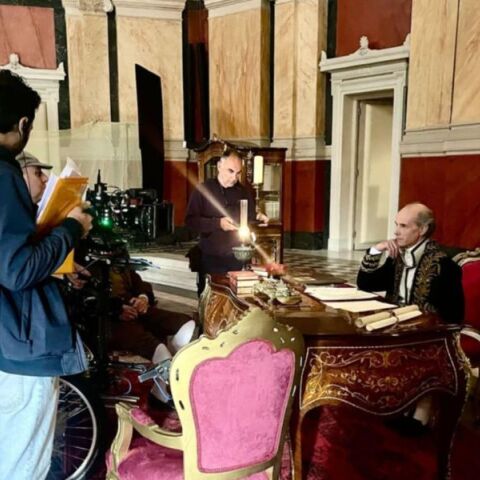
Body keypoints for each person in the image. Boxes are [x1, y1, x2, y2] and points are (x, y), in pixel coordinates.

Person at [0, 70, 93, 480]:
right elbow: (16, 269)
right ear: (22, 124)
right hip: (18, 344)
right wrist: (71, 228)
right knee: (23, 466)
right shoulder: (3, 174)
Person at [357, 202, 464, 323]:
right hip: (393, 324)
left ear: (422, 229)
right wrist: (376, 249)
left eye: (403, 226)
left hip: (424, 331)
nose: (396, 232)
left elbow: (453, 317)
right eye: (397, 225)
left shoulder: (444, 265)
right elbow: (365, 284)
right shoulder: (397, 256)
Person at [185, 148, 268, 294]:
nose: (234, 177)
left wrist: (259, 217)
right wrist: (218, 223)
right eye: (230, 171)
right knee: (211, 300)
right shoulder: (203, 190)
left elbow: (250, 219)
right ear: (219, 166)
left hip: (238, 258)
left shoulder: (243, 191)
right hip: (211, 258)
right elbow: (190, 221)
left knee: (237, 299)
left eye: (238, 173)